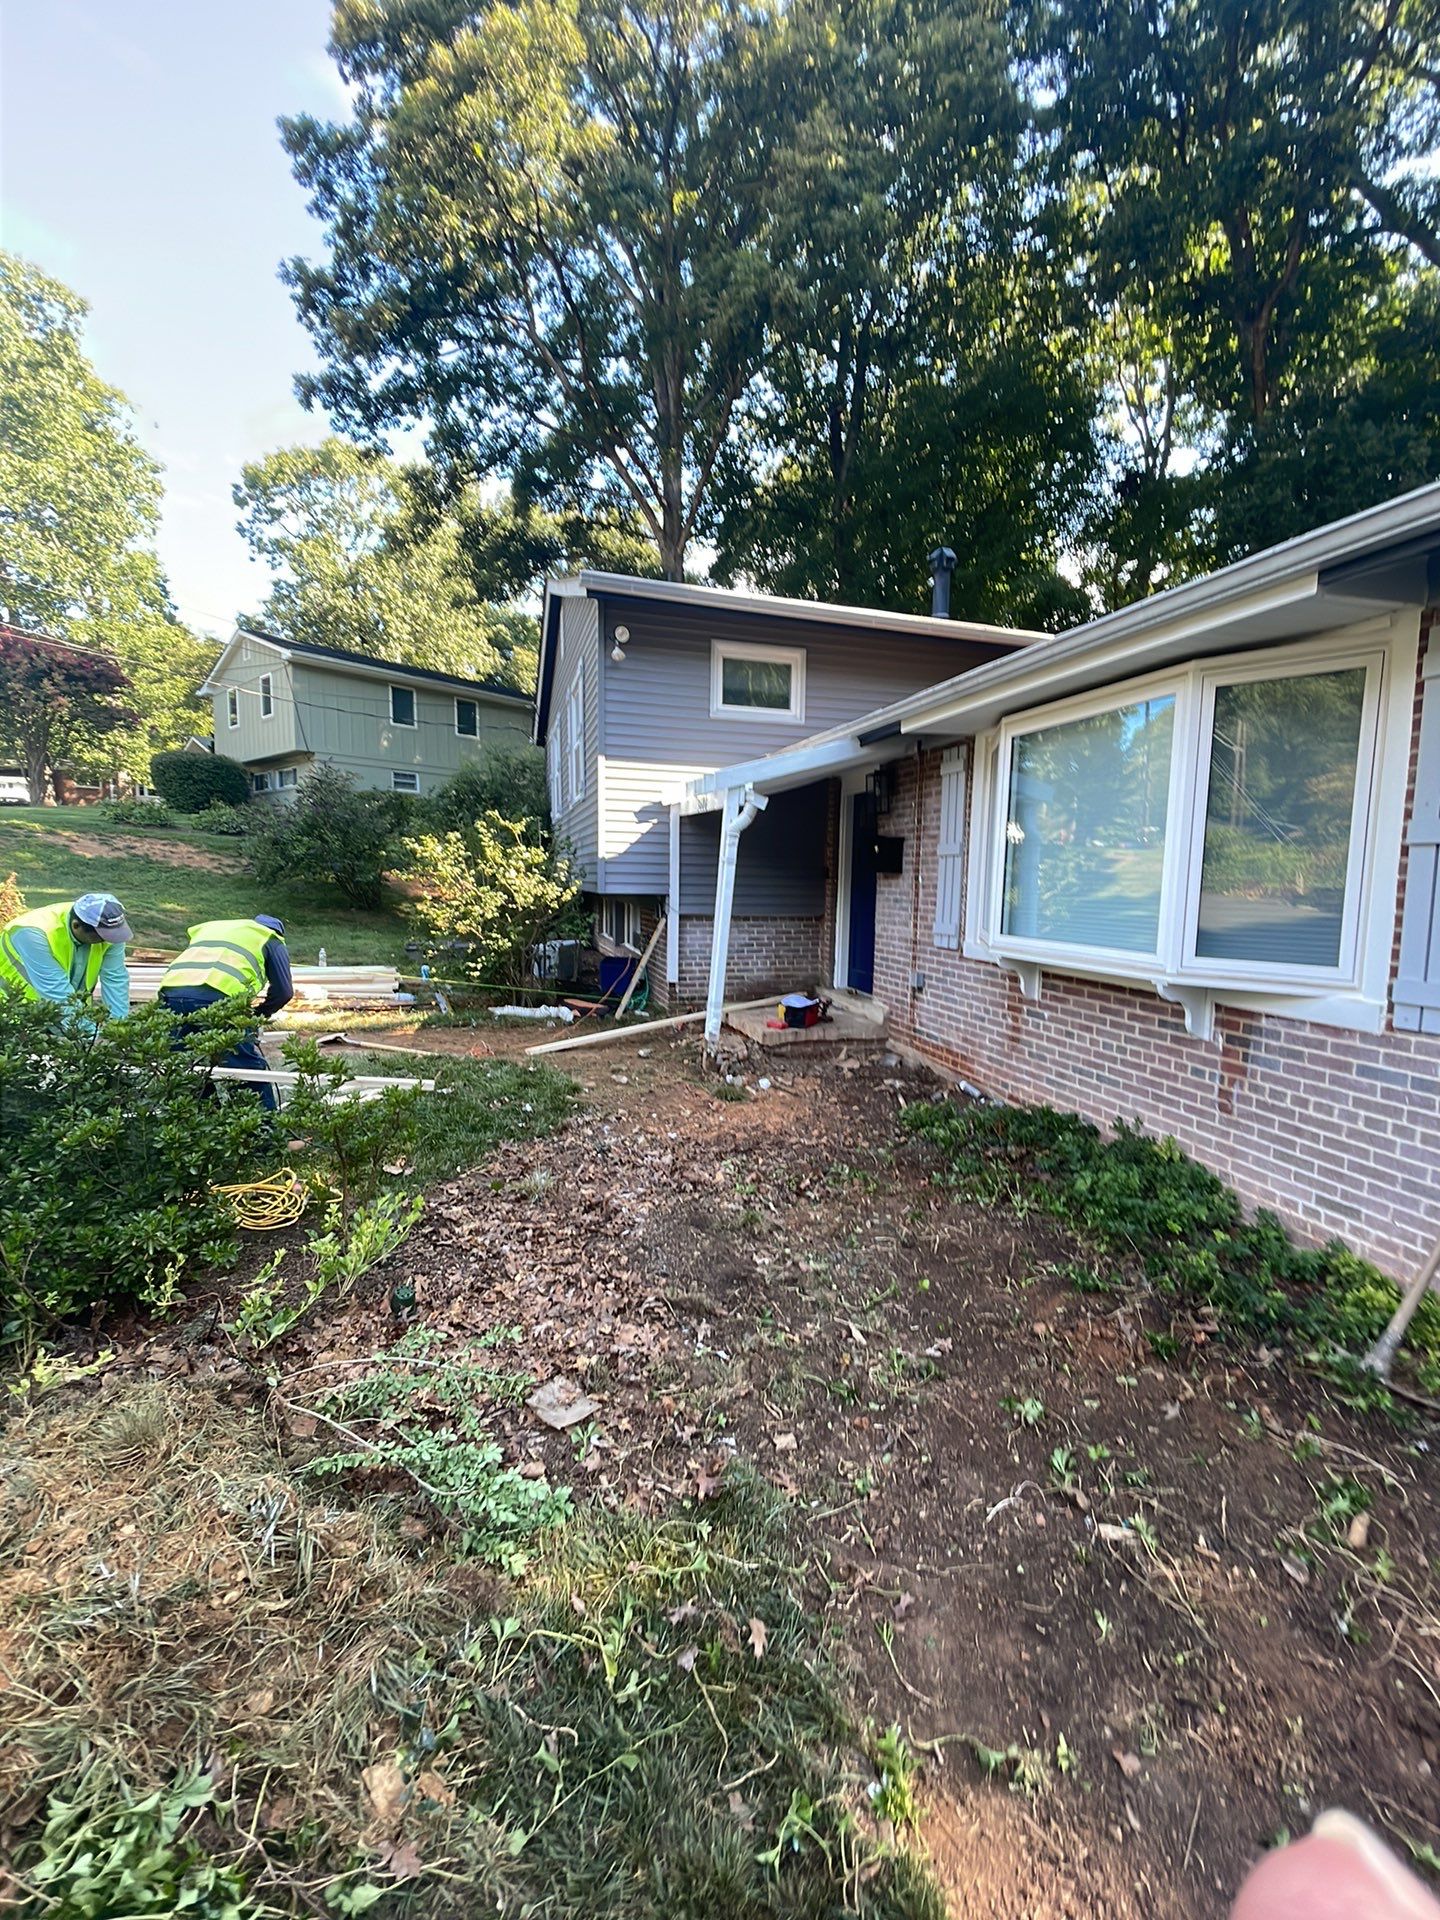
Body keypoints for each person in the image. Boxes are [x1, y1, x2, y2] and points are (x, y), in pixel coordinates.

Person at [157, 914, 293, 1111]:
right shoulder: (270, 938)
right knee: (244, 1068)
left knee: (184, 1068)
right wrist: (255, 1017)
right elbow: (283, 992)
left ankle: (201, 1127)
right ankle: (262, 1134)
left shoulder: (215, 929)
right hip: (217, 997)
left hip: (170, 995)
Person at [0, 892, 132, 1024]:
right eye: (102, 936)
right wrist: (94, 1037)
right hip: (13, 1017)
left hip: (61, 1015)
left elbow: (115, 978)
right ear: (76, 926)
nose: (108, 940)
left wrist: (117, 1029)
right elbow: (57, 994)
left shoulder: (108, 929)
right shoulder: (32, 935)